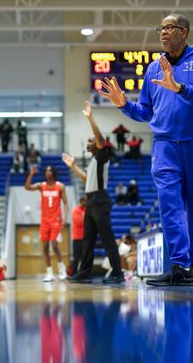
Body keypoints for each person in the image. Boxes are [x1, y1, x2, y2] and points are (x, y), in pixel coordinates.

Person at [98, 13, 193, 286]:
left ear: (184, 32)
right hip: (164, 145)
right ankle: (178, 266)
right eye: (161, 29)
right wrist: (123, 104)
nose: (163, 33)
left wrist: (179, 87)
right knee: (169, 204)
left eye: (170, 28)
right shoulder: (154, 68)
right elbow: (145, 112)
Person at [62, 100, 124, 284]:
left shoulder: (103, 155)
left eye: (91, 141)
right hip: (91, 200)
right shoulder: (92, 162)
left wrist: (90, 118)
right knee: (87, 239)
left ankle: (117, 273)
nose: (88, 143)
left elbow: (101, 139)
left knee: (107, 238)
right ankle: (84, 273)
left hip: (100, 199)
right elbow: (85, 179)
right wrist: (73, 166)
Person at [24, 165, 69, 282]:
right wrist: (31, 174)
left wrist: (64, 218)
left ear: (53, 172)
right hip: (44, 221)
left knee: (54, 245)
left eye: (50, 170)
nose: (48, 172)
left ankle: (62, 269)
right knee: (44, 247)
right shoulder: (41, 185)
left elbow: (65, 203)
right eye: (46, 171)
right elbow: (27, 187)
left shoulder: (60, 186)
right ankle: (49, 273)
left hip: (55, 220)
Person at [70, 196, 86, 277]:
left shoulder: (86, 210)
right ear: (80, 202)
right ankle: (74, 274)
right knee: (76, 257)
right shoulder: (76, 210)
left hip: (85, 238)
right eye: (83, 201)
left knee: (84, 257)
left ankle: (82, 273)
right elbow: (80, 222)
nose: (85, 203)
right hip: (77, 238)